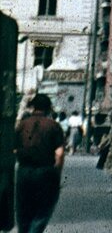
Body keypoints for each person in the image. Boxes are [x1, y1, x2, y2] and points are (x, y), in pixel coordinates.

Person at [14, 92, 65, 233]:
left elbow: (14, 149)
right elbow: (59, 154)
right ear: (48, 108)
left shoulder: (22, 125)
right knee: (42, 211)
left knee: (23, 211)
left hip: (23, 171)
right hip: (45, 171)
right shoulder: (54, 126)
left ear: (33, 107)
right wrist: (57, 175)